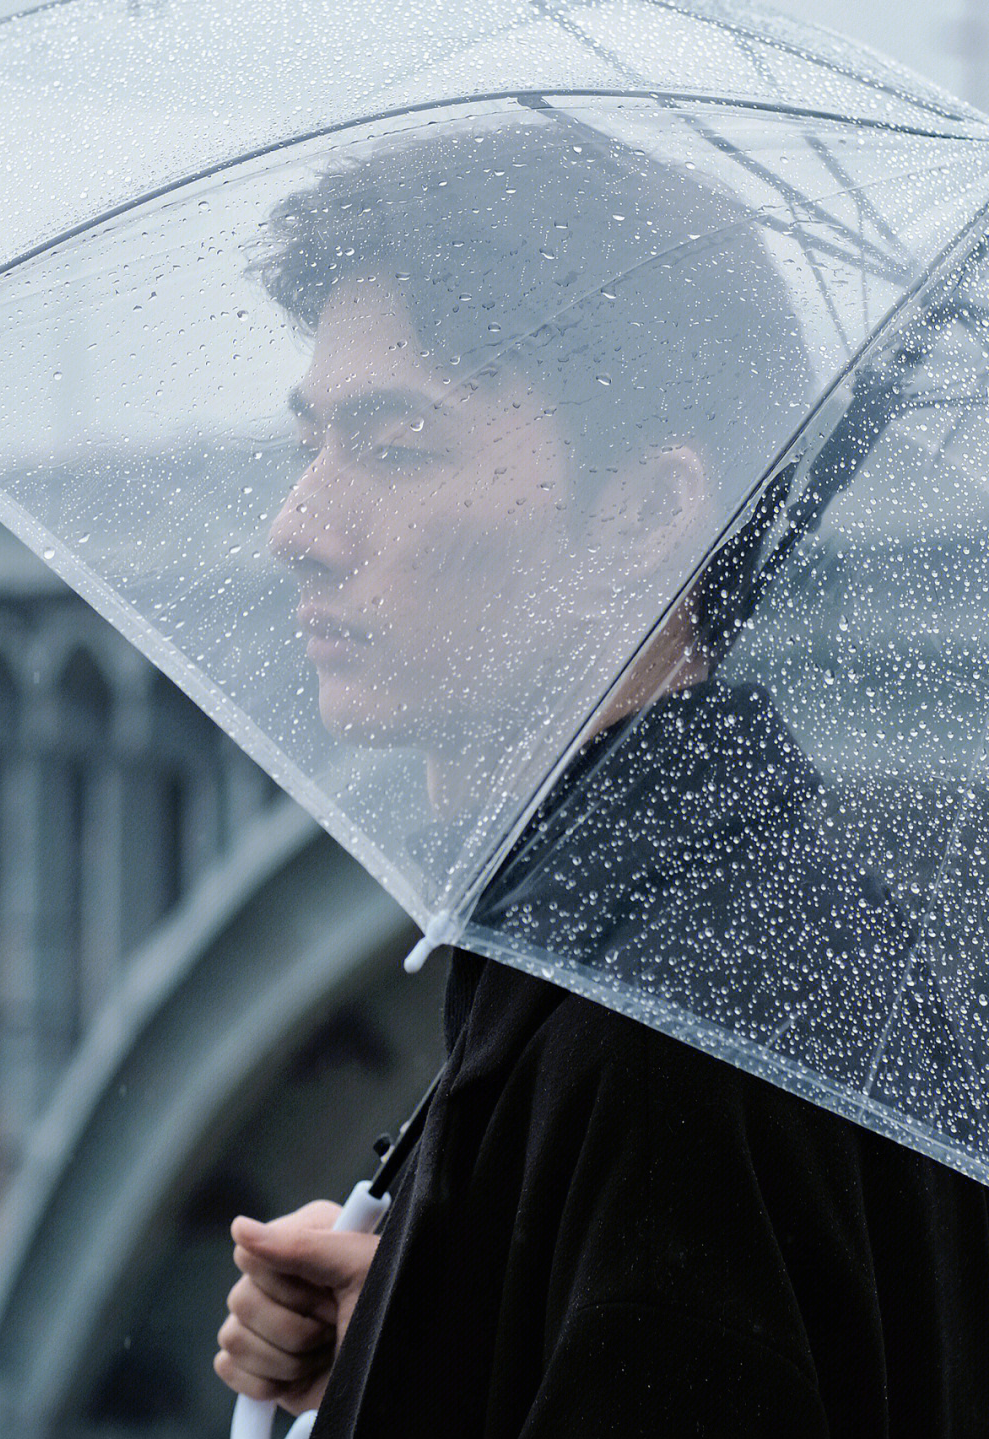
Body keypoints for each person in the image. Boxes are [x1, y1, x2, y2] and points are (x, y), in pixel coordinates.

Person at [214, 118, 989, 1434]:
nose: (298, 530)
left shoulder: (674, 1040)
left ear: (643, 513)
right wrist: (427, 1317)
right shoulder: (687, 946)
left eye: (394, 447)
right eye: (311, 445)